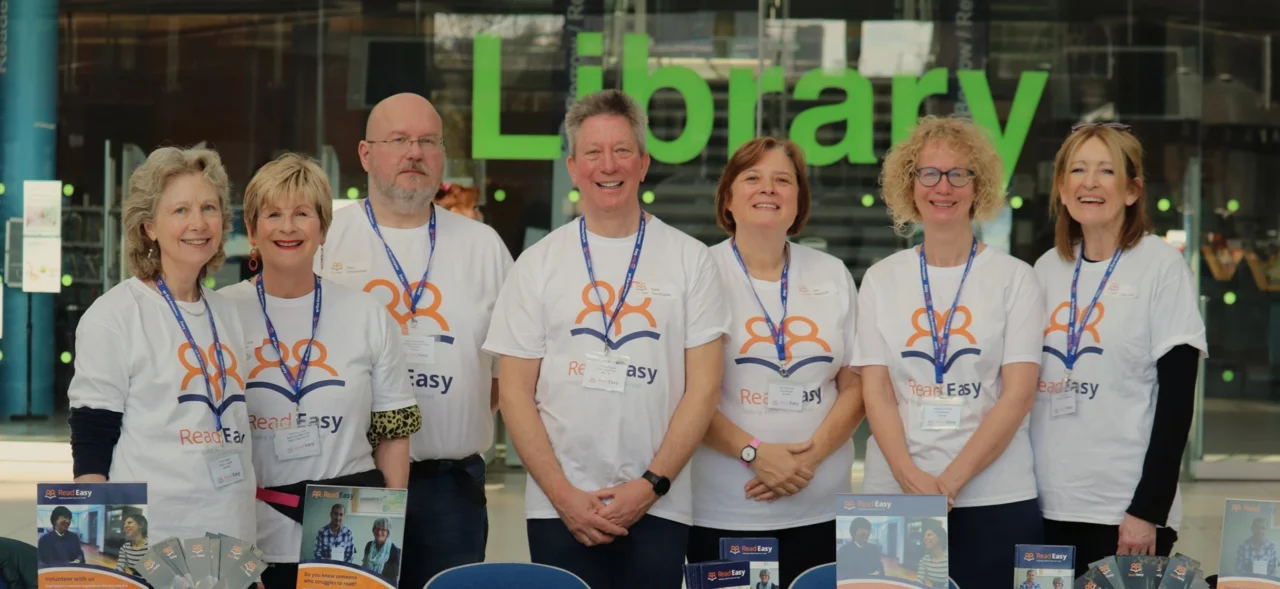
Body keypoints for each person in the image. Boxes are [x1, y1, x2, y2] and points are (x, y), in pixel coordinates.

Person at [482, 88, 729, 589]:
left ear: (643, 163)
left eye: (621, 150)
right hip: (558, 506)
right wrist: (564, 495)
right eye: (592, 152)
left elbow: (703, 389)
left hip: (661, 502)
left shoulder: (689, 260)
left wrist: (650, 486)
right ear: (573, 167)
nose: (607, 164)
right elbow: (514, 393)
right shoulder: (538, 264)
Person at [315, 93, 513, 589]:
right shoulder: (325, 238)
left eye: (427, 141)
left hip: (450, 489)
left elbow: (507, 374)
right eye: (399, 140)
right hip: (348, 485)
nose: (414, 152)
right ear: (365, 154)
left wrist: (457, 415)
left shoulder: (481, 246)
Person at [852, 116, 1045, 589]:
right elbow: (875, 389)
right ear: (909, 184)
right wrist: (909, 476)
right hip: (893, 492)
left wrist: (950, 482)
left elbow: (1018, 394)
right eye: (929, 173)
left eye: (960, 173)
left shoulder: (1015, 277)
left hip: (994, 495)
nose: (944, 186)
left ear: (978, 187)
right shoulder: (882, 278)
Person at [220, 153, 420, 589]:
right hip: (249, 535)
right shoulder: (219, 314)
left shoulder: (368, 315)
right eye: (272, 214)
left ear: (323, 228)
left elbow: (395, 435)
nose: (288, 227)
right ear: (251, 230)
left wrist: (382, 530)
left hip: (343, 544)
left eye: (303, 214)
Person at [685, 136, 864, 588]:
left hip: (823, 507)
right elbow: (684, 393)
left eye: (783, 180)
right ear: (728, 197)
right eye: (752, 178)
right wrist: (755, 453)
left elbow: (857, 383)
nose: (769, 189)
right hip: (724, 509)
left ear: (798, 199)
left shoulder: (832, 274)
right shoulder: (697, 272)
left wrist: (808, 459)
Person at [1031, 123, 1207, 569]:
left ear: (1132, 190)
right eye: (1077, 170)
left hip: (1122, 509)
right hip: (1045, 503)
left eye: (1106, 171)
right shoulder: (1047, 268)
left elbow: (1176, 402)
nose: (1089, 183)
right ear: (1061, 187)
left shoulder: (1160, 266)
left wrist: (1147, 510)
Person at [67, 147, 257, 543]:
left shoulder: (229, 313)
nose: (199, 223)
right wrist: (99, 566)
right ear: (149, 226)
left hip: (229, 538)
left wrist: (248, 560)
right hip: (150, 545)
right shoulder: (115, 316)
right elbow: (92, 442)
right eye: (180, 210)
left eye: (209, 207)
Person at [361, 518, 402, 583]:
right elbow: (364, 566)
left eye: (383, 529)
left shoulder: (395, 550)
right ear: (373, 530)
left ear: (388, 532)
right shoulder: (368, 545)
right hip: (368, 582)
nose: (379, 532)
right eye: (377, 528)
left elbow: (393, 576)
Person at [916, 520, 948, 588]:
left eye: (929, 535)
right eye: (924, 536)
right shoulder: (924, 560)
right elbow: (919, 579)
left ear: (940, 538)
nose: (925, 538)